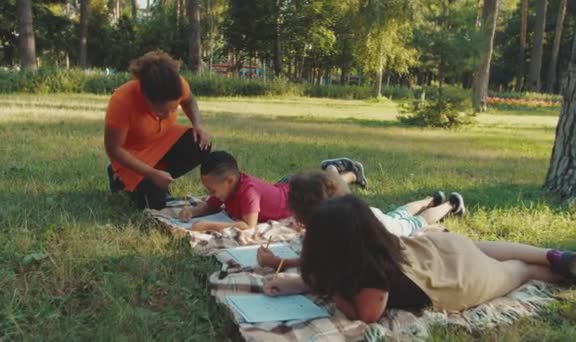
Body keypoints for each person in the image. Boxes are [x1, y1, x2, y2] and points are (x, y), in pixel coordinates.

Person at [263, 195, 576, 323]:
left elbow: (367, 315)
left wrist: (323, 289)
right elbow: (328, 276)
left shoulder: (370, 276)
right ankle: (552, 256)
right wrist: (297, 284)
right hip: (440, 251)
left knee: (516, 272)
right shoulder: (376, 246)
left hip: (455, 282)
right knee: (479, 246)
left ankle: (557, 272)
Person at [256, 171, 464, 270]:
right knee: (400, 212)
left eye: (302, 221)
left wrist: (277, 263)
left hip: (388, 228)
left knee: (415, 222)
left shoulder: (339, 232)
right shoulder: (340, 215)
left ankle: (450, 205)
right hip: (374, 215)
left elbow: (318, 264)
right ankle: (431, 199)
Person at [104, 50, 211, 210]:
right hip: (131, 155)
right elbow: (114, 149)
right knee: (154, 204)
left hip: (162, 142)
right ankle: (118, 177)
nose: (168, 115)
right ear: (145, 97)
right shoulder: (122, 101)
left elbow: (189, 101)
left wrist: (198, 124)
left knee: (201, 144)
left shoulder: (178, 85)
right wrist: (150, 174)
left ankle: (159, 174)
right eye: (161, 112)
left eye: (173, 109)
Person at [177, 152, 367, 232]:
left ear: (230, 180)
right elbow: (210, 205)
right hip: (280, 188)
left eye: (212, 190)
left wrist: (208, 226)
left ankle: (336, 170)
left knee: (331, 193)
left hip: (294, 195)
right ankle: (347, 173)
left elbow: (248, 226)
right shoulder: (225, 189)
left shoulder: (248, 191)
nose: (211, 194)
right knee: (329, 188)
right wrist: (192, 212)